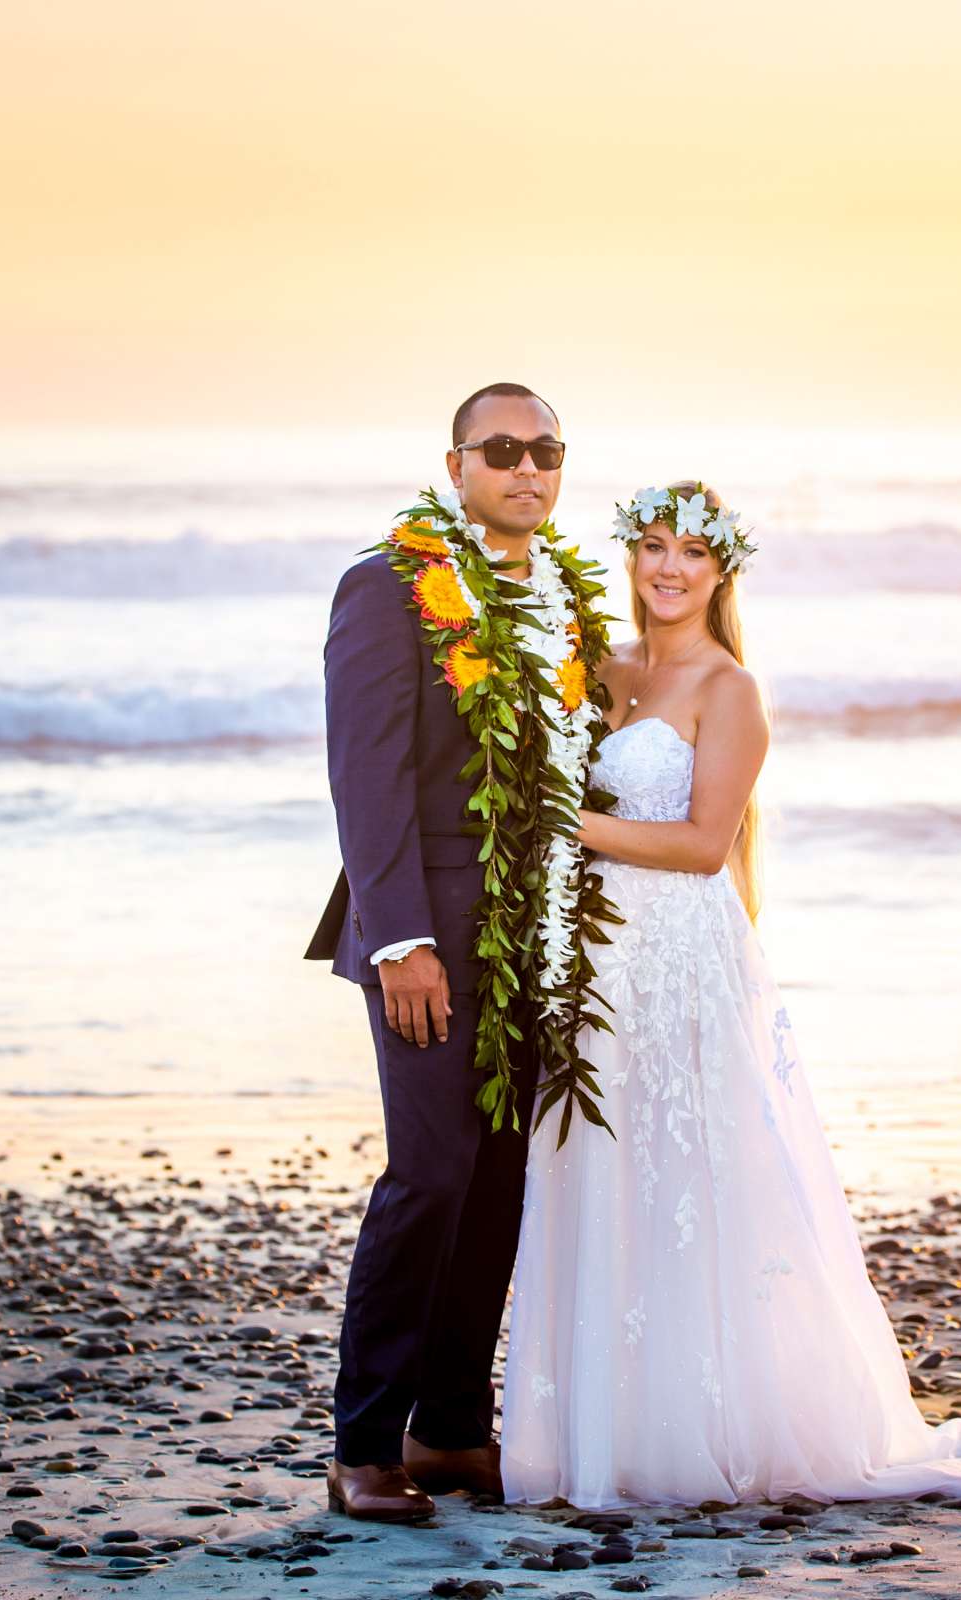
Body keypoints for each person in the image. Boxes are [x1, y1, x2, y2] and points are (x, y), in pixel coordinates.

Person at [500, 481, 961, 1507]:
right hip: (594, 962)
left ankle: (707, 1426)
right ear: (631, 556)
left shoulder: (729, 689)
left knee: (689, 1183)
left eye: (692, 554)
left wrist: (563, 823)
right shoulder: (601, 669)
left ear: (722, 571)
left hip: (679, 957)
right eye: (654, 546)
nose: (669, 567)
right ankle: (603, 1428)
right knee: (600, 1175)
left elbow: (706, 847)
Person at [305, 382, 568, 1521]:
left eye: (546, 448)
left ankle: (453, 1427)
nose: (527, 467)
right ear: (456, 464)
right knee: (431, 1174)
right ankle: (363, 1443)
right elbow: (365, 778)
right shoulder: (391, 585)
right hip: (425, 924)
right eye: (502, 448)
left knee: (504, 1174)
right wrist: (401, 936)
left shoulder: (558, 592)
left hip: (530, 930)